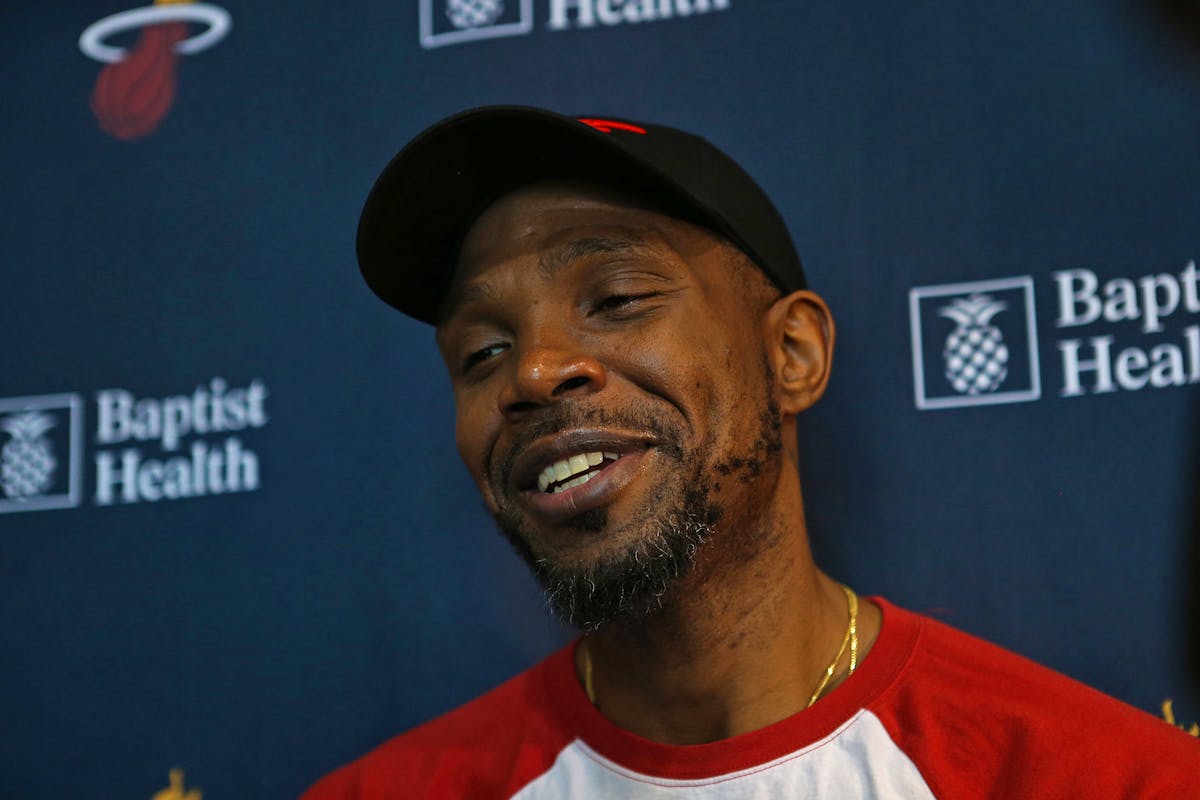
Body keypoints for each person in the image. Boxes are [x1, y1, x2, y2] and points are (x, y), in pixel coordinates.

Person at [303, 106, 1199, 798]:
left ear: (791, 355)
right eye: (482, 352)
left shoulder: (1105, 779)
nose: (532, 371)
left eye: (616, 299)